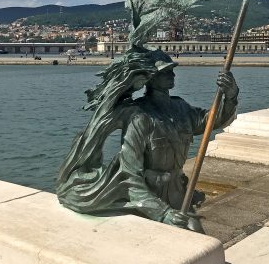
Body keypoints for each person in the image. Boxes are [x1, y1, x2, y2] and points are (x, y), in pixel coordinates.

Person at [57, 47, 239, 232]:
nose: (172, 74)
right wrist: (163, 213)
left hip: (178, 192)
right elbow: (129, 174)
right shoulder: (140, 116)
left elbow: (210, 121)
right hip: (149, 197)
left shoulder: (180, 107)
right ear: (151, 77)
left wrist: (230, 96)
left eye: (172, 70)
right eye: (165, 71)